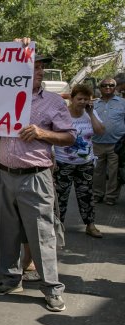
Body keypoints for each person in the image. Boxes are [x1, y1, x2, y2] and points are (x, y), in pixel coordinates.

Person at [0, 44, 76, 313]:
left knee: (41, 234)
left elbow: (69, 137)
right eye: (33, 65)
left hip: (35, 177)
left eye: (40, 66)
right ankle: (11, 278)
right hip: (2, 173)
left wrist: (41, 133)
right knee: (5, 231)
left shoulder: (54, 102)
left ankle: (51, 288)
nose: (38, 70)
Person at [55, 84, 105, 238]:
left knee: (86, 195)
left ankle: (90, 225)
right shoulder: (62, 114)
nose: (82, 102)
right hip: (63, 162)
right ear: (72, 98)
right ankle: (57, 227)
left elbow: (100, 131)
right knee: (60, 197)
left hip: (85, 163)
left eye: (86, 99)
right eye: (79, 98)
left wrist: (90, 113)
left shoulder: (91, 113)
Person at [93, 77, 125, 205]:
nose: (108, 87)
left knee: (114, 172)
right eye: (105, 85)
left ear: (115, 87)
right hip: (97, 143)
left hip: (116, 145)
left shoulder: (122, 102)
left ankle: (111, 197)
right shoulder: (94, 104)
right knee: (97, 172)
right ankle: (97, 194)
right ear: (100, 88)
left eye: (111, 85)